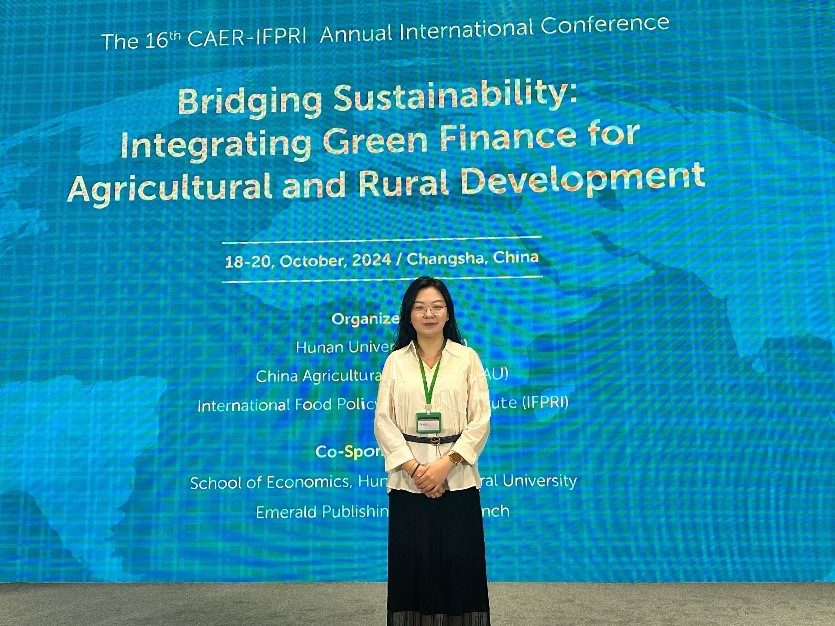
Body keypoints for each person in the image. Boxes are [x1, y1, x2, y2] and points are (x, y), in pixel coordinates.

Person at [374, 276, 491, 626]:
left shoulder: (467, 358)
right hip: (409, 481)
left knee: (460, 568)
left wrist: (446, 465)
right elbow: (383, 421)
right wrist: (414, 468)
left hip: (457, 477)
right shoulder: (395, 361)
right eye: (420, 307)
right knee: (412, 568)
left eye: (437, 307)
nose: (429, 314)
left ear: (448, 313)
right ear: (408, 315)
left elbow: (481, 419)